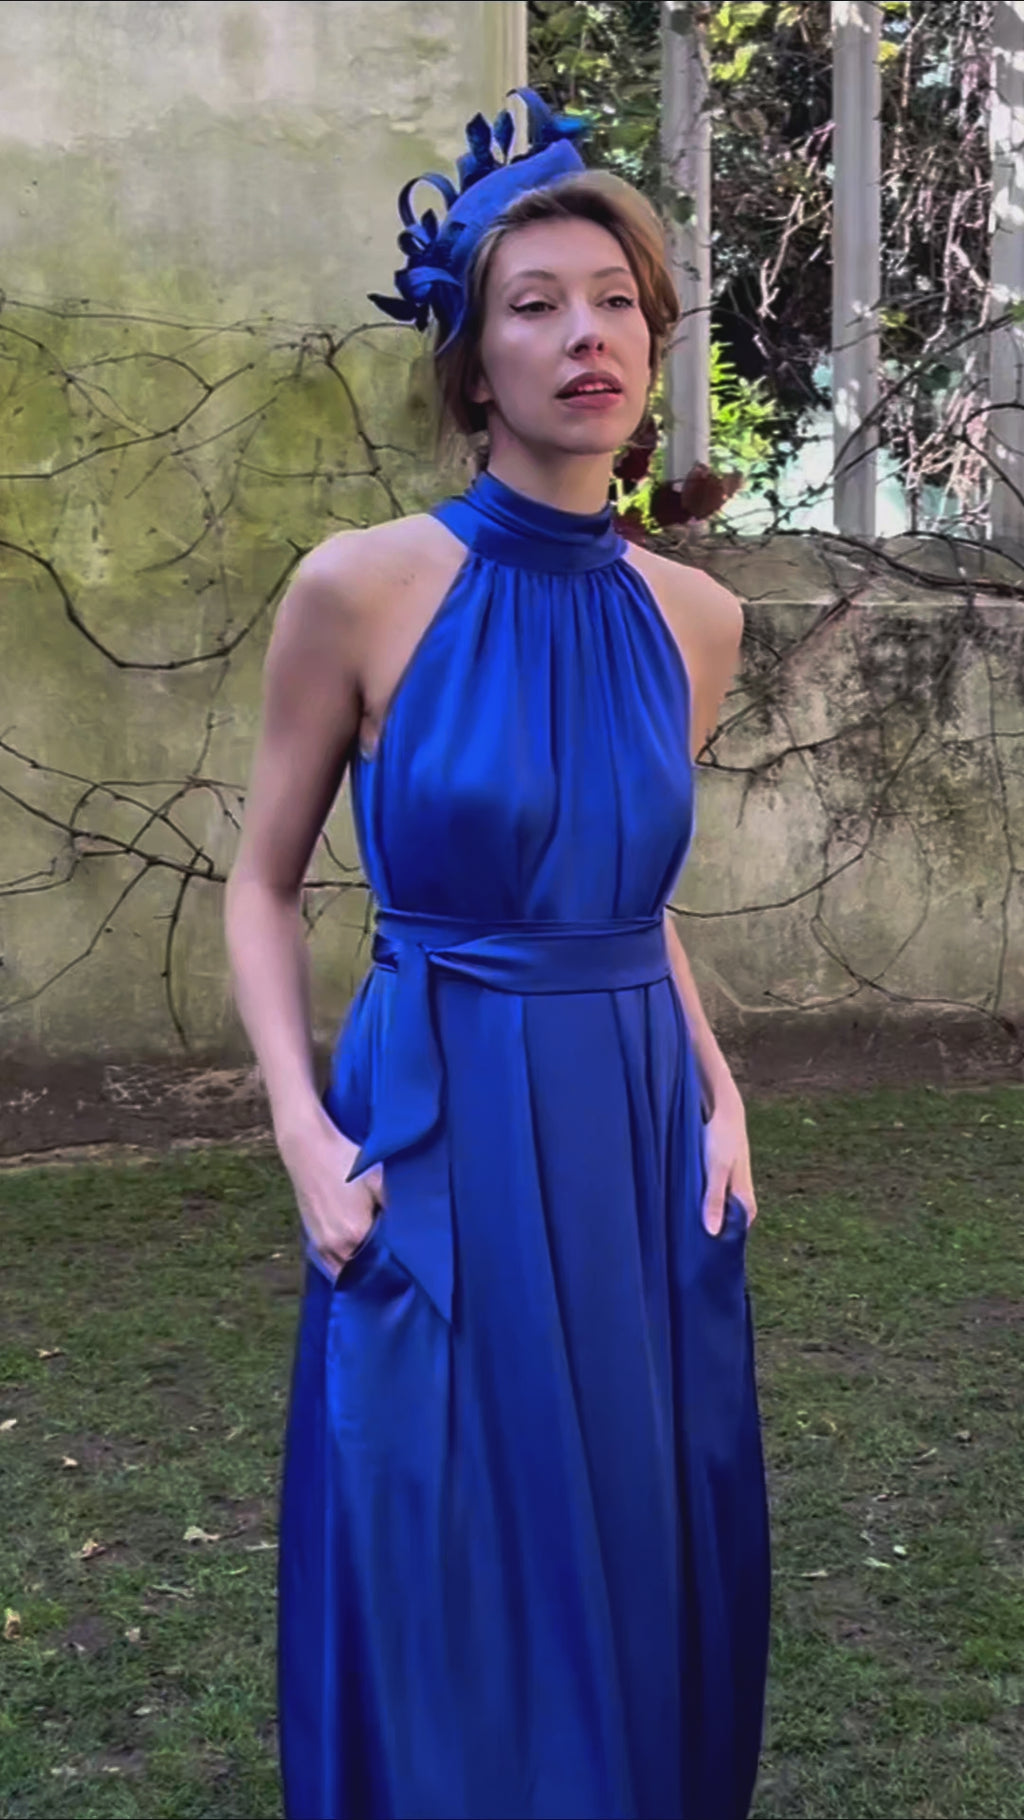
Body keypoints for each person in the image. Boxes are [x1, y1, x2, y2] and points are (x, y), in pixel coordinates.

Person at [224, 87, 770, 1820]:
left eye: (613, 299)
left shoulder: (699, 619)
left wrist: (724, 1089)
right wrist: (307, 1135)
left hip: (633, 1126)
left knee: (635, 1527)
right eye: (532, 305)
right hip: (434, 1116)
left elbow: (626, 892)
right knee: (438, 1534)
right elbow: (259, 885)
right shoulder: (361, 589)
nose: (582, 336)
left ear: (653, 337)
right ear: (473, 364)